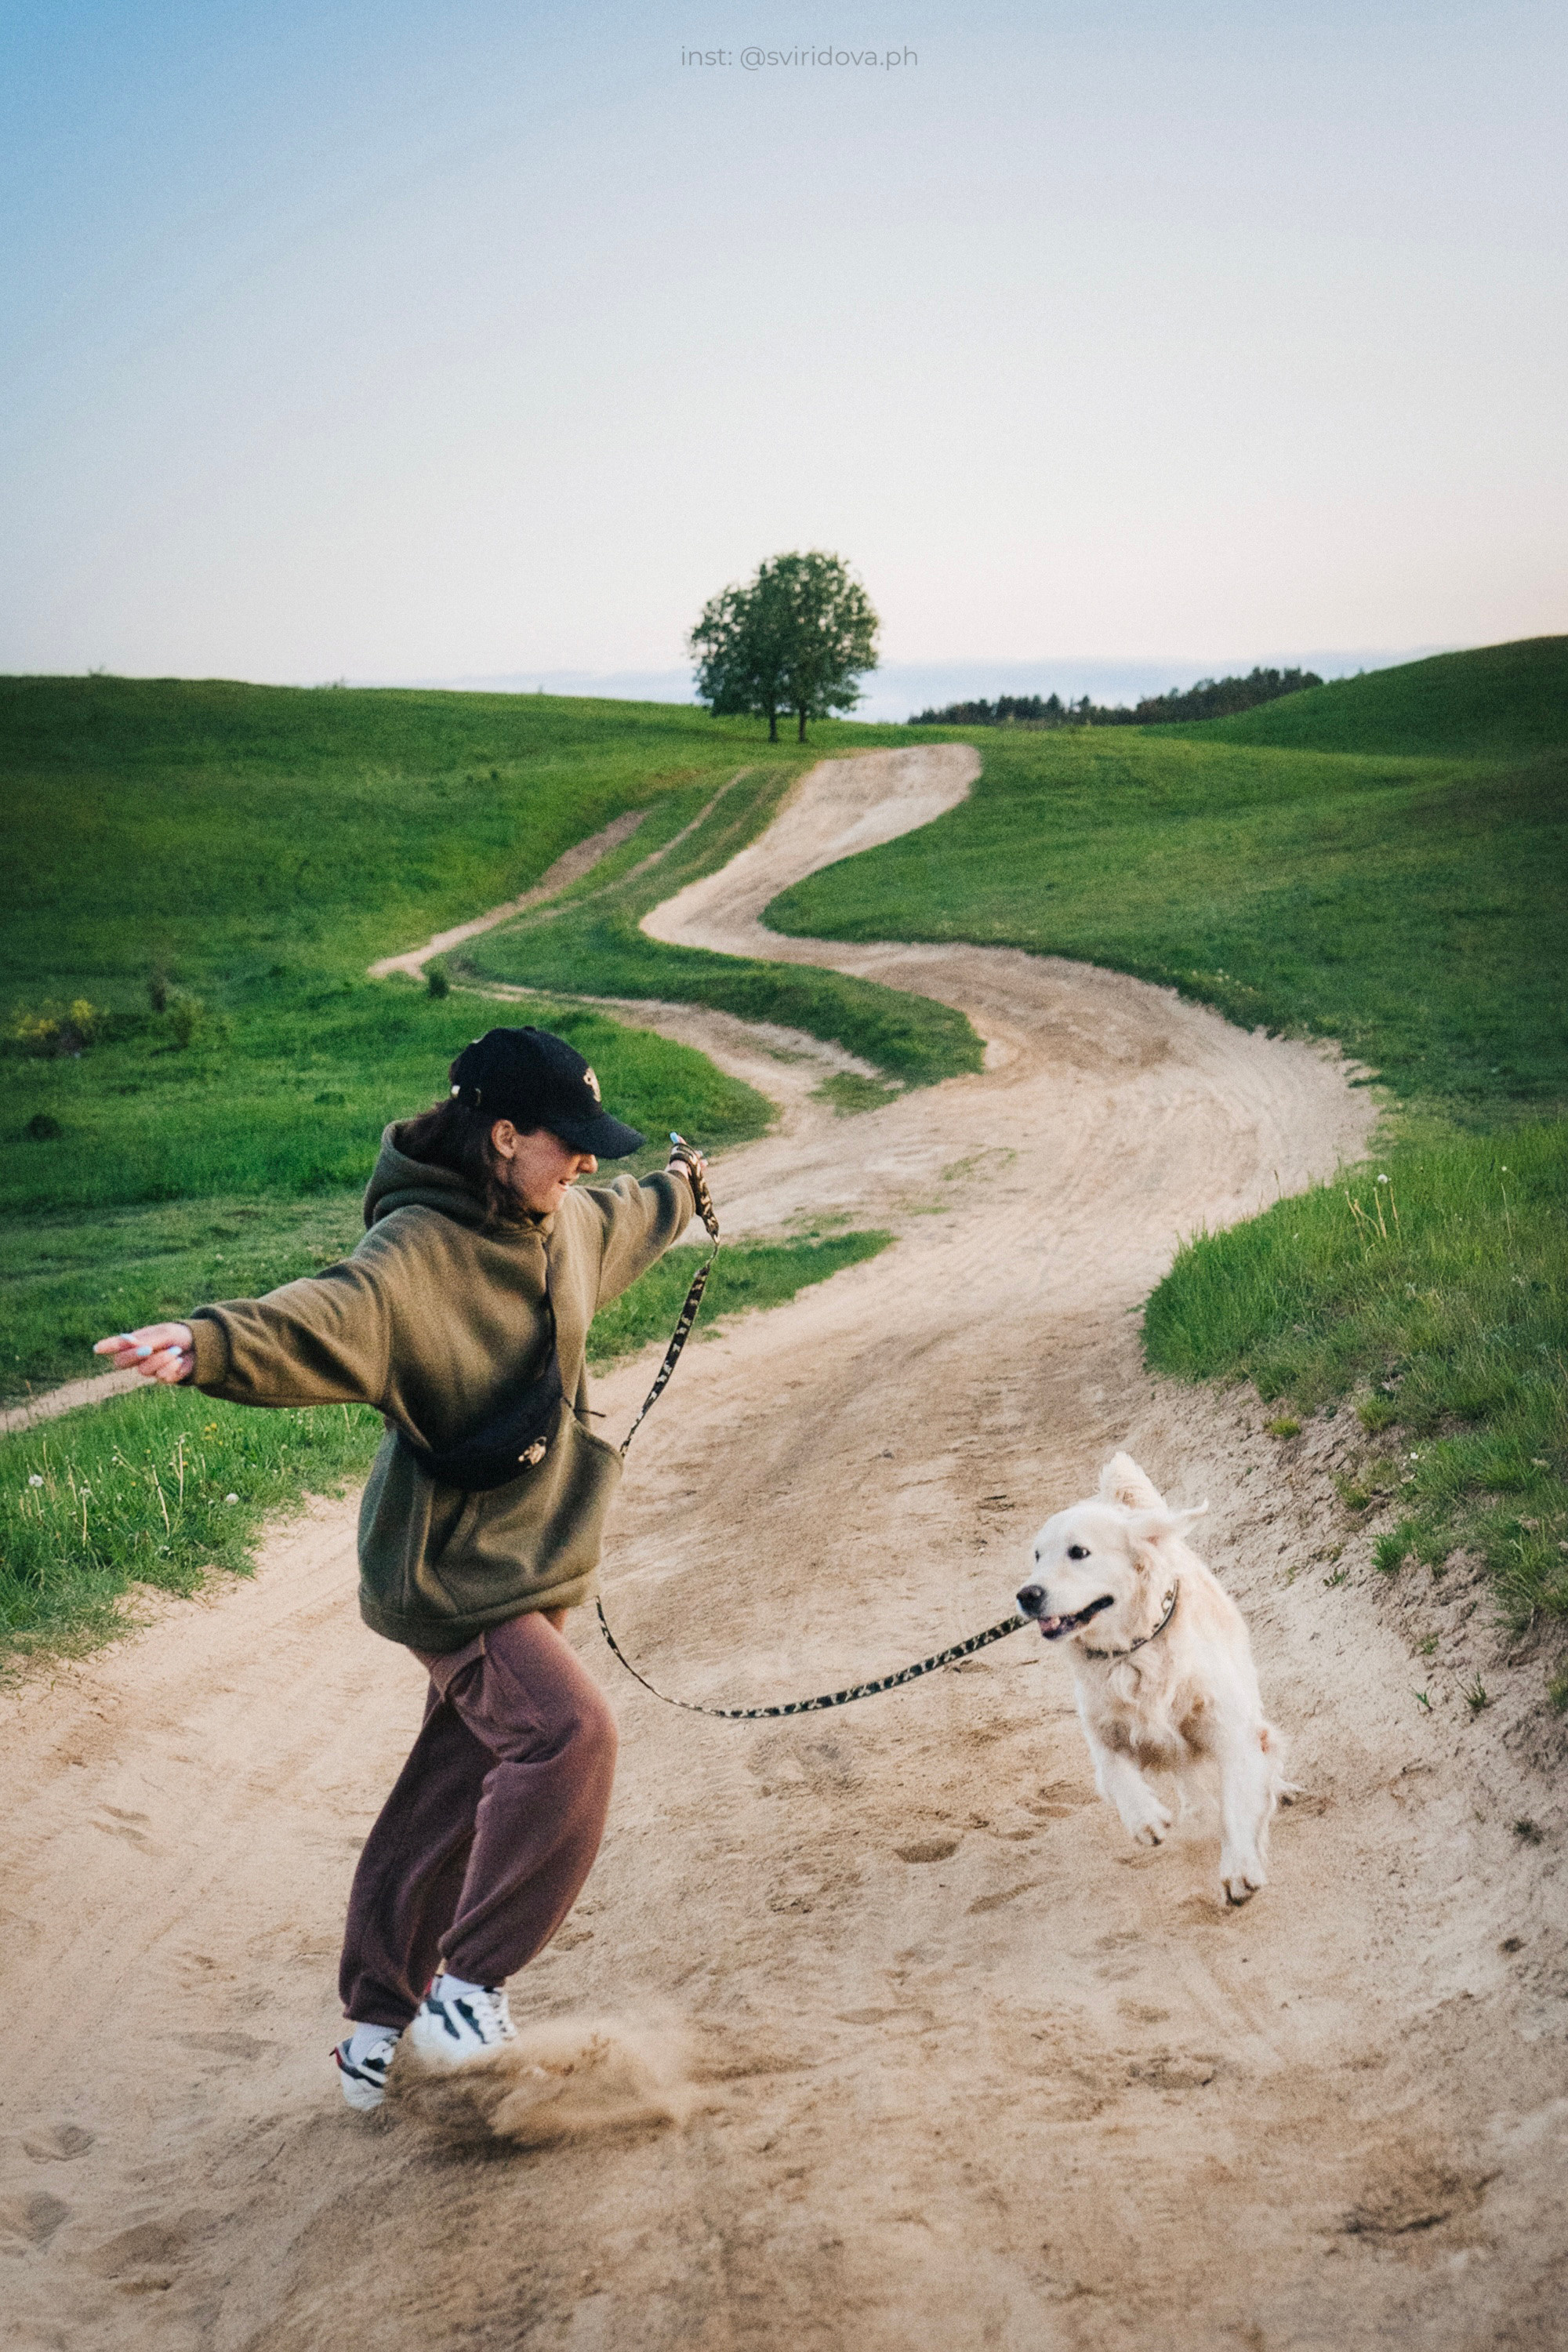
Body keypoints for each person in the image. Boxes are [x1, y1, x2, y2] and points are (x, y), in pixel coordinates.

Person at [95, 1025, 707, 2112]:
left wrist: (683, 1187)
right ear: (504, 1132)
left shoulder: (558, 1220)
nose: (586, 1163)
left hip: (520, 1560)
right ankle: (466, 1992)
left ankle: (375, 2029)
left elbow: (624, 1219)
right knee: (567, 1737)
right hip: (448, 1571)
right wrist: (208, 1345)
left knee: (457, 1778)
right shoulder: (417, 1253)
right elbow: (330, 1311)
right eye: (570, 1142)